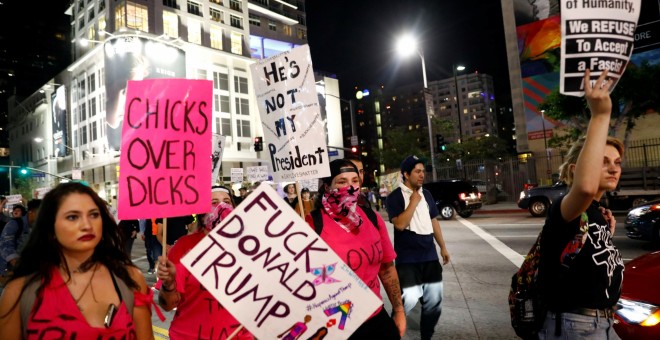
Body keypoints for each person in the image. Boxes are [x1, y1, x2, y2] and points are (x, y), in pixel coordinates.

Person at [0, 182, 154, 339]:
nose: (87, 225)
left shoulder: (130, 278)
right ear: (51, 227)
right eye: (72, 217)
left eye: (94, 214)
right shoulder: (18, 293)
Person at [537, 70, 624, 339]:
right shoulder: (566, 207)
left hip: (603, 323)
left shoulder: (597, 215)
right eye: (604, 161)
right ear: (576, 169)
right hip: (576, 326)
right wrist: (600, 116)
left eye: (617, 163)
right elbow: (585, 188)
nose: (614, 169)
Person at [305, 159, 405, 339]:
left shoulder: (372, 217)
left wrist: (399, 310)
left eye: (355, 181)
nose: (350, 187)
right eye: (342, 182)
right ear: (327, 187)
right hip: (337, 325)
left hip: (375, 315)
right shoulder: (313, 223)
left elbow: (387, 268)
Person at [156, 185, 253, 339]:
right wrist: (169, 284)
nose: (222, 206)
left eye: (227, 201)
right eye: (214, 202)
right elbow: (167, 306)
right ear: (202, 214)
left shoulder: (250, 246)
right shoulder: (184, 246)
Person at [386, 155, 451, 340]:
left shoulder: (427, 194)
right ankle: (393, 334)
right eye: (417, 171)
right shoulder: (395, 197)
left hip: (429, 256)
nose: (422, 175)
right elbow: (399, 224)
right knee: (406, 301)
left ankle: (426, 336)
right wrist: (413, 202)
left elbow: (433, 221)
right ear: (406, 174)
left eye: (423, 171)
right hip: (408, 260)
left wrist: (443, 247)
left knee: (433, 303)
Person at [1, 199, 42, 283]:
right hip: (7, 272)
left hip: (25, 273)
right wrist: (17, 264)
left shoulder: (38, 228)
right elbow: (6, 244)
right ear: (31, 212)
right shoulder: (14, 223)